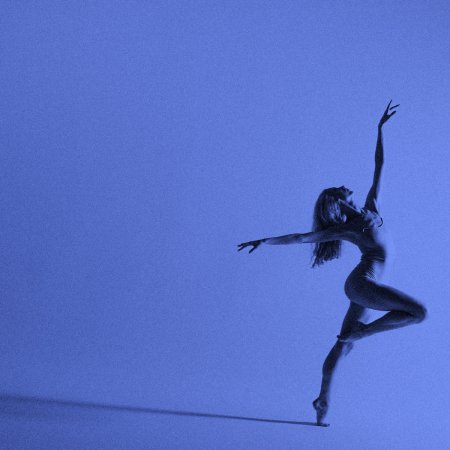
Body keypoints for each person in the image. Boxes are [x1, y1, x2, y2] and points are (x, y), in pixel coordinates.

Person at [237, 101, 427, 426]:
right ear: (337, 200)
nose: (345, 184)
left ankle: (322, 399)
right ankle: (362, 334)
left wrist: (379, 129)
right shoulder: (348, 228)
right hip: (363, 285)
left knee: (342, 344)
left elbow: (379, 164)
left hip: (364, 287)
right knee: (418, 313)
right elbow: (301, 238)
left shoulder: (372, 208)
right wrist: (265, 241)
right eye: (339, 188)